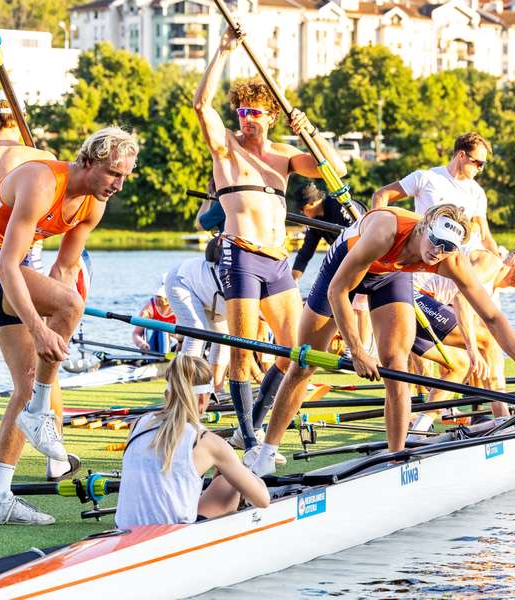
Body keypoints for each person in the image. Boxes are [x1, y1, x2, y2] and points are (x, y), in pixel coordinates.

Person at [253, 204, 515, 475]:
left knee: (396, 362)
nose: (438, 252)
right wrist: (356, 349)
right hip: (345, 267)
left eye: (448, 248)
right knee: (304, 363)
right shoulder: (385, 231)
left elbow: (493, 317)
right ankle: (266, 452)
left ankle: (396, 458)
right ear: (424, 228)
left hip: (391, 276)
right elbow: (338, 292)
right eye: (435, 242)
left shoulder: (450, 260)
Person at [0, 127, 138, 524]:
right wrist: (42, 327)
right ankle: (41, 411)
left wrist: (59, 320)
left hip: (12, 269)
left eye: (126, 176)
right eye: (114, 173)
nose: (119, 184)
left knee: (27, 378)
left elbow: (63, 269)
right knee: (67, 307)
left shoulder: (93, 205)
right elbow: (7, 264)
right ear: (88, 161)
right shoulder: (42, 181)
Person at [194, 25, 347, 462]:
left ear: (271, 116)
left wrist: (310, 132)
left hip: (277, 263)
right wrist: (223, 50)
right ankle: (249, 437)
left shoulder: (283, 156)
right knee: (244, 351)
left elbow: (331, 169)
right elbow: (201, 104)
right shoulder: (225, 149)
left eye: (255, 113)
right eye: (241, 112)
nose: (247, 119)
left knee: (295, 351)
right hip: (240, 255)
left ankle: (255, 427)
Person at [0, 92, 58, 487]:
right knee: (39, 368)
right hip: (22, 266)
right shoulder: (38, 158)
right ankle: (56, 459)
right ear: (20, 120)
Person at [115, 354, 270, 529]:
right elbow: (263, 499)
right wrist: (247, 469)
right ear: (203, 398)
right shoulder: (207, 441)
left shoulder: (138, 424)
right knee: (228, 484)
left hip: (123, 532)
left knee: (219, 481)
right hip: (172, 538)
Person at [413, 243, 515, 420]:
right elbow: (461, 296)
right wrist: (472, 348)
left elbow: (486, 331)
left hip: (419, 313)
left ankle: (420, 428)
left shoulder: (492, 296)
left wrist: (474, 350)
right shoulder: (491, 262)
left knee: (462, 365)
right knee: (487, 342)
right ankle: (502, 418)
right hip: (414, 296)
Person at [371, 132, 497, 252]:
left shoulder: (477, 192)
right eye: (479, 163)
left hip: (450, 264)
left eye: (483, 164)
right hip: (419, 261)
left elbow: (485, 238)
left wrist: (502, 266)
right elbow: (381, 195)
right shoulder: (426, 177)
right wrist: (374, 236)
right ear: (461, 155)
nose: (481, 169)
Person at [164, 237, 230, 393]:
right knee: (197, 332)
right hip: (180, 281)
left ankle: (215, 389)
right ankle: (181, 389)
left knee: (224, 338)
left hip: (209, 294)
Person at [291, 183, 366, 281]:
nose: (301, 212)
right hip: (344, 256)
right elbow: (306, 252)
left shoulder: (338, 204)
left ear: (311, 203)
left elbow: (357, 235)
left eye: (301, 208)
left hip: (365, 250)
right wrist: (294, 281)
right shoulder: (314, 222)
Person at [132, 283, 176, 354]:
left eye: (161, 301)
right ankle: (151, 358)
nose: (158, 302)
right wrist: (141, 344)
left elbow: (185, 338)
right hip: (151, 345)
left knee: (163, 331)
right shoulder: (149, 309)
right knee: (149, 330)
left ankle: (165, 358)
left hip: (173, 348)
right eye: (156, 299)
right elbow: (136, 334)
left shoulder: (178, 308)